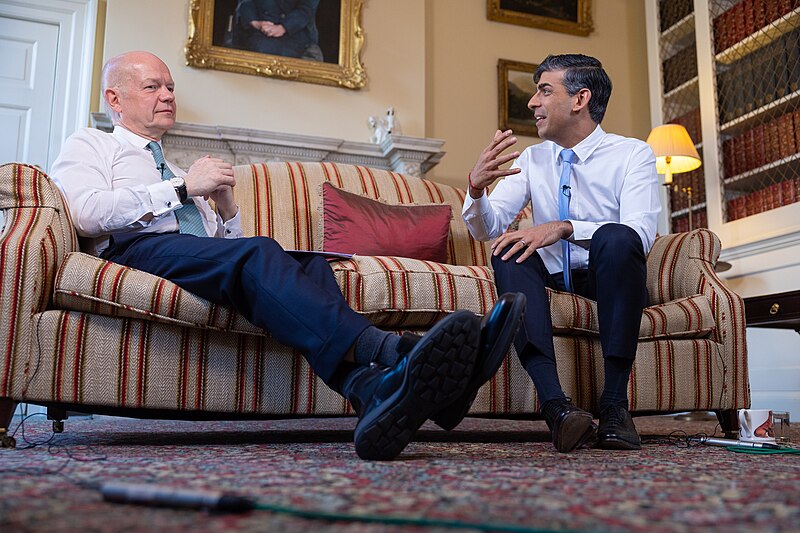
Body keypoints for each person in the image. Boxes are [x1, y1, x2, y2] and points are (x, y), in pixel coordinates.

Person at [51, 51, 525, 461]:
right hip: (134, 251)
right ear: (115, 99)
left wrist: (226, 207)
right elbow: (88, 214)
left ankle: (373, 390)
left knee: (309, 263)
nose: (168, 95)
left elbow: (226, 246)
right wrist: (181, 188)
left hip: (190, 254)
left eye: (171, 87)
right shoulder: (94, 144)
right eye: (153, 86)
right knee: (260, 253)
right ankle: (398, 351)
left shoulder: (178, 167)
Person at [463, 54, 660, 453]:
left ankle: (615, 407)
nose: (533, 102)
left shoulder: (633, 154)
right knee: (507, 251)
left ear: (580, 99)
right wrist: (476, 190)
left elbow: (641, 234)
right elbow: (488, 228)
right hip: (552, 281)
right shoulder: (533, 159)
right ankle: (556, 408)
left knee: (618, 238)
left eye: (544, 90)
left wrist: (565, 228)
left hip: (611, 280)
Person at [237, 0, 322, 60]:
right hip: (259, 31)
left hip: (296, 32)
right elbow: (245, 2)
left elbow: (306, 9)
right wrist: (256, 23)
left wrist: (283, 27)